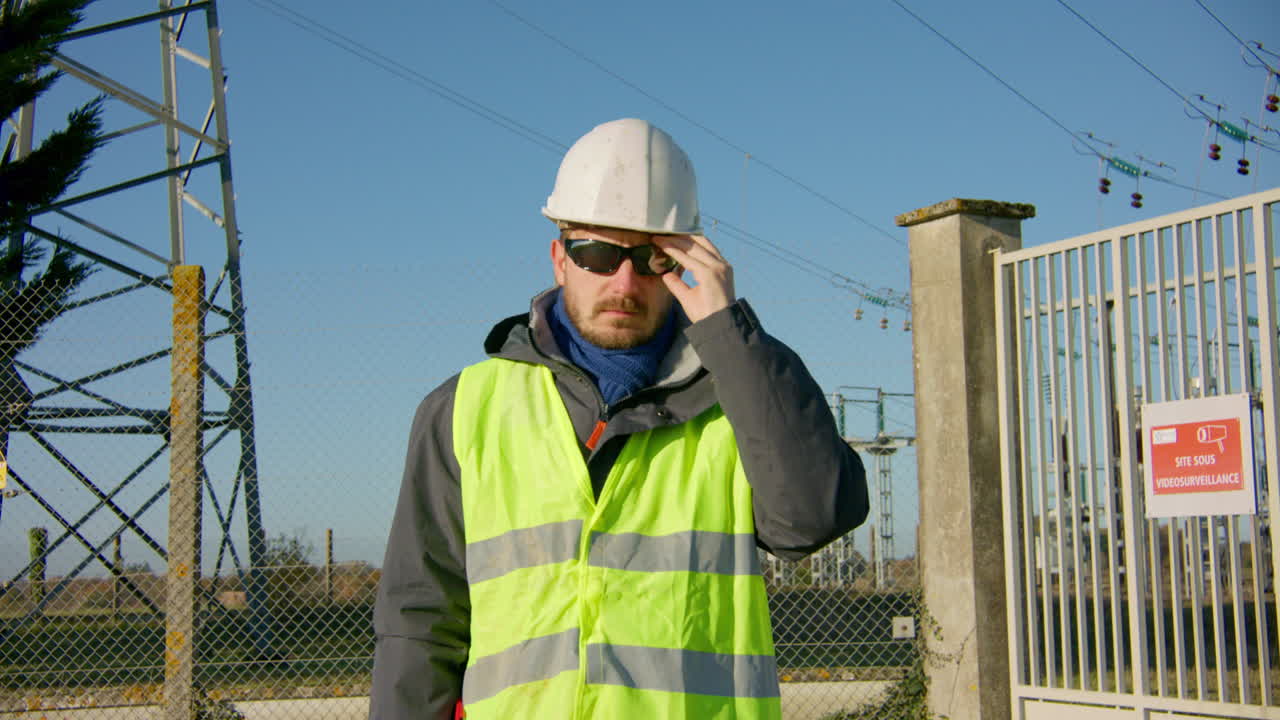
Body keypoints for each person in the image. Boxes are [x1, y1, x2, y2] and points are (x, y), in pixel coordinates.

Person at [370, 118, 869, 720]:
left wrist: (730, 333)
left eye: (649, 257)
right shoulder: (462, 409)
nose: (624, 281)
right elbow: (420, 622)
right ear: (559, 259)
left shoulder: (739, 394)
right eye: (597, 254)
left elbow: (811, 518)